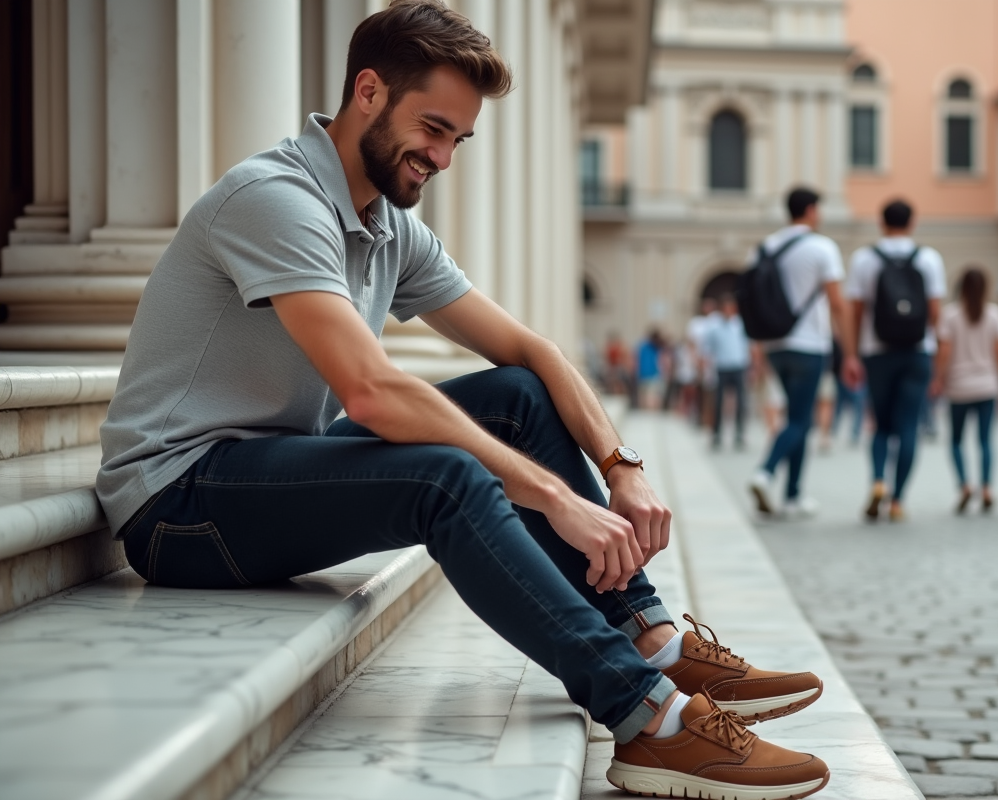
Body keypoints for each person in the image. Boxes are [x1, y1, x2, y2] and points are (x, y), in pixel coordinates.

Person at [94, 4, 831, 797]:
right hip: (178, 506)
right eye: (433, 129)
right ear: (368, 92)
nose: (443, 158)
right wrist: (556, 497)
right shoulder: (277, 199)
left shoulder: (384, 223)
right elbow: (372, 392)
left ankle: (648, 636)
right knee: (446, 477)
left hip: (262, 469)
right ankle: (647, 717)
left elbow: (532, 352)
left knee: (516, 394)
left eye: (458, 140)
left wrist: (621, 466)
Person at [747, 188, 852, 517]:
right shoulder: (822, 247)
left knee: (797, 418)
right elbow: (836, 302)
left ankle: (793, 496)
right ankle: (765, 472)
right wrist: (848, 350)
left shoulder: (765, 247)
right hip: (810, 345)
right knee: (799, 419)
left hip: (776, 344)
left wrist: (758, 350)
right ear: (809, 210)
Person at [842, 199, 944, 523]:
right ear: (912, 222)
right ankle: (898, 500)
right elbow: (936, 313)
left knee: (881, 426)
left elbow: (856, 312)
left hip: (877, 351)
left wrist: (852, 354)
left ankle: (877, 482)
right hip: (917, 351)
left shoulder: (864, 259)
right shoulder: (928, 258)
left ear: (881, 222)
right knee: (909, 427)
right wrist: (938, 357)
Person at [930, 267, 998, 514]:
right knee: (985, 440)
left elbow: (944, 352)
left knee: (956, 440)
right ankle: (987, 487)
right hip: (987, 386)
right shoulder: (995, 314)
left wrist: (938, 379)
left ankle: (965, 486)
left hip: (958, 387)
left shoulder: (950, 315)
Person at [704, 294, 752, 449]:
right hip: (722, 367)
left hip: (738, 366)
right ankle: (716, 433)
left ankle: (740, 433)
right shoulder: (714, 326)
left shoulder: (740, 324)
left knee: (741, 401)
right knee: (718, 401)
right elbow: (708, 348)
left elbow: (748, 346)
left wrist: (751, 366)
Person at [686, 298, 718, 428]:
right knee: (700, 391)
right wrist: (695, 360)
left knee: (712, 392)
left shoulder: (716, 322)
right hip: (699, 363)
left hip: (713, 363)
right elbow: (691, 343)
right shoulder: (696, 323)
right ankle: (700, 417)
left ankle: (711, 418)